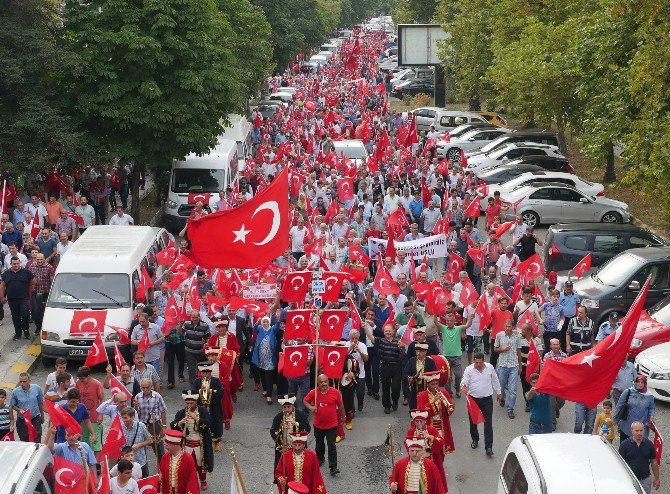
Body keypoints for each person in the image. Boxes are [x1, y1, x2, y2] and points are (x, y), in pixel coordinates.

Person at [170, 391, 214, 491]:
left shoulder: (202, 411)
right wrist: (180, 423)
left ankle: (203, 481)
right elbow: (173, 426)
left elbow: (209, 424)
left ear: (196, 402)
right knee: (188, 465)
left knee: (200, 464)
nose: (189, 405)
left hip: (200, 444)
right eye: (187, 403)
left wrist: (197, 419)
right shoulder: (181, 413)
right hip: (187, 444)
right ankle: (191, 482)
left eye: (191, 403)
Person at [303, 374, 344, 477]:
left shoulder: (335, 392)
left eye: (325, 381)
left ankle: (333, 467)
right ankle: (320, 459)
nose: (323, 383)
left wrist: (343, 416)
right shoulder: (314, 393)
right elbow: (305, 401)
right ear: (318, 383)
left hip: (332, 424)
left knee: (332, 445)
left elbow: (340, 405)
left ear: (328, 382)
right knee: (319, 444)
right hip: (318, 425)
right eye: (321, 382)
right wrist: (311, 408)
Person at [461, 352, 501, 456]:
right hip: (473, 400)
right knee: (473, 422)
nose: (478, 364)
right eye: (476, 362)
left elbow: (495, 380)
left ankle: (488, 447)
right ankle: (475, 439)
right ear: (474, 361)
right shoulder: (469, 369)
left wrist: (499, 392)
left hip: (487, 399)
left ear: (484, 361)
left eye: (480, 362)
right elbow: (465, 379)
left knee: (488, 423)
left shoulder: (490, 368)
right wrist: (464, 385)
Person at [363, 322, 402, 414]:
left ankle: (395, 401)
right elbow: (371, 337)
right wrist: (365, 328)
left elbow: (403, 353)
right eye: (386, 331)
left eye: (389, 331)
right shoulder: (380, 340)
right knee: (385, 388)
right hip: (385, 367)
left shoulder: (398, 342)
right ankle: (387, 406)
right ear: (384, 332)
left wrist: (402, 347)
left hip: (396, 367)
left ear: (393, 332)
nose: (388, 332)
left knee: (396, 387)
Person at [405, 409, 448, 489]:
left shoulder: (432, 430)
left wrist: (431, 438)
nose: (419, 423)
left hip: (430, 460)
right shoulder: (411, 431)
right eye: (416, 421)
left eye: (421, 421)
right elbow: (406, 443)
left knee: (431, 483)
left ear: (425, 421)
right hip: (417, 461)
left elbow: (441, 441)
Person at [416, 372, 455, 456]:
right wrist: (433, 401)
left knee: (441, 451)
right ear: (428, 384)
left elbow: (451, 407)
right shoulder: (421, 395)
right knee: (430, 453)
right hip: (428, 427)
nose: (435, 386)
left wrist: (445, 405)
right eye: (432, 384)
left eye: (437, 384)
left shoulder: (444, 393)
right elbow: (421, 412)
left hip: (442, 426)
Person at [270, 394, 311, 471]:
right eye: (284, 407)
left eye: (288, 407)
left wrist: (296, 424)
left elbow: (307, 429)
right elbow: (272, 431)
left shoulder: (300, 415)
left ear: (293, 406)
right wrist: (281, 429)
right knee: (283, 469)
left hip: (298, 447)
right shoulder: (278, 417)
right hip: (283, 448)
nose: (287, 409)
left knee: (299, 468)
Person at [618, 421, 661, 493]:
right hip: (629, 480)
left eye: (641, 430)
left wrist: (657, 478)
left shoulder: (649, 444)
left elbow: (653, 461)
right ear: (632, 431)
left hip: (645, 480)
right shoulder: (624, 445)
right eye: (637, 430)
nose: (639, 433)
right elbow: (619, 463)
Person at [0, 256, 35, 340]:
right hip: (12, 299)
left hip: (24, 298)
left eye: (17, 263)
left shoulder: (27, 272)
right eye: (14, 264)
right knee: (15, 316)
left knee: (25, 315)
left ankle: (26, 330)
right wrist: (1, 296)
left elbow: (33, 282)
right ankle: (18, 333)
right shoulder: (6, 273)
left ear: (20, 263)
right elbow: (2, 285)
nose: (16, 265)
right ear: (11, 264)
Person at [133, 378, 167, 463]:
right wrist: (136, 407)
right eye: (143, 387)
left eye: (147, 387)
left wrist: (164, 426)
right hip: (143, 425)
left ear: (151, 386)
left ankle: (163, 465)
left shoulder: (157, 396)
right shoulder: (137, 397)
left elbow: (163, 411)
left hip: (155, 425)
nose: (145, 390)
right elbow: (137, 415)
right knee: (141, 448)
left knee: (159, 449)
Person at [494, 319, 522, 419]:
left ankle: (510, 409)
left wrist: (520, 365)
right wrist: (502, 349)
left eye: (509, 327)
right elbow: (495, 349)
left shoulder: (517, 337)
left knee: (513, 389)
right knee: (501, 387)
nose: (507, 328)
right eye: (506, 326)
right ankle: (503, 398)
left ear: (513, 327)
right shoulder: (499, 335)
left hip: (514, 366)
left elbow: (519, 351)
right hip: (502, 365)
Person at [614, 375, 655, 442]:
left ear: (645, 384)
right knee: (625, 446)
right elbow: (619, 405)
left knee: (640, 447)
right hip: (627, 424)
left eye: (642, 382)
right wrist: (615, 419)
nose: (640, 384)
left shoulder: (649, 395)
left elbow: (651, 408)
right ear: (635, 382)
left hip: (642, 425)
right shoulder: (628, 392)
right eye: (638, 382)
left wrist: (651, 415)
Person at [193, 361, 224, 452]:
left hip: (214, 408)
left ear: (210, 372)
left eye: (207, 372)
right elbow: (193, 395)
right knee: (201, 424)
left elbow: (221, 394)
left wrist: (209, 391)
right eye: (203, 373)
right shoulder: (197, 382)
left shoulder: (216, 381)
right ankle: (202, 441)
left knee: (215, 425)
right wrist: (200, 391)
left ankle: (216, 442)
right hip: (201, 408)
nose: (205, 374)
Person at [159, 429, 200, 494]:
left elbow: (192, 480)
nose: (166, 448)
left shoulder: (188, 459)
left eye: (167, 445)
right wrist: (160, 476)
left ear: (175, 445)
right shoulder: (165, 457)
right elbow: (161, 472)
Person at [74, 366, 104, 457]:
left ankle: (96, 464)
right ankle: (86, 462)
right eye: (80, 379)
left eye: (83, 379)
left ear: (89, 376)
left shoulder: (97, 384)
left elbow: (102, 399)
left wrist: (101, 414)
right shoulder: (78, 383)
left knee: (96, 443)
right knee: (84, 442)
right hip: (82, 419)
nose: (81, 381)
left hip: (94, 418)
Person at [341, 329, 367, 430]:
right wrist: (350, 348)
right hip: (348, 376)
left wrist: (359, 351)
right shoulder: (346, 344)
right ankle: (352, 410)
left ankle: (360, 402)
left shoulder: (363, 345)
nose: (354, 340)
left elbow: (366, 359)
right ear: (349, 338)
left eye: (356, 338)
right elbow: (341, 358)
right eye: (352, 338)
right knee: (349, 395)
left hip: (359, 374)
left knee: (360, 393)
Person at [436, 312, 465, 398]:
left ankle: (457, 388)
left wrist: (471, 318)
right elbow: (436, 323)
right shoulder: (444, 328)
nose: (449, 322)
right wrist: (435, 314)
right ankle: (449, 392)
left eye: (450, 321)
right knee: (447, 376)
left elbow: (467, 325)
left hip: (457, 356)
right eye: (447, 320)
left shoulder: (458, 328)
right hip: (446, 357)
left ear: (454, 321)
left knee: (459, 375)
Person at [118, 406, 153, 478]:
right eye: (122, 418)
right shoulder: (120, 427)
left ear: (132, 417)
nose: (123, 420)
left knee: (143, 481)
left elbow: (150, 440)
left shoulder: (141, 426)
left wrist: (139, 445)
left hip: (140, 461)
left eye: (125, 418)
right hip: (126, 463)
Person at [10, 372, 44, 442]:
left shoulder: (37, 388)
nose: (22, 383)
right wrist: (19, 410)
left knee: (37, 439)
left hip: (35, 419)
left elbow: (40, 403)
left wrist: (42, 415)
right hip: (22, 421)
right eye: (20, 381)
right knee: (25, 441)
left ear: (29, 381)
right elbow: (12, 405)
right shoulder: (15, 392)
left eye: (24, 381)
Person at [542, 339, 567, 431]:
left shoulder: (564, 355)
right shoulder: (547, 356)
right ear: (550, 346)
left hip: (560, 383)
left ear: (560, 345)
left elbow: (566, 369)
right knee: (552, 403)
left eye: (557, 344)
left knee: (561, 402)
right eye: (554, 344)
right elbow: (545, 370)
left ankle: (555, 410)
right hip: (551, 383)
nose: (556, 346)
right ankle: (553, 422)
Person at [404, 342, 437, 410]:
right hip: (414, 389)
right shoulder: (411, 361)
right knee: (414, 407)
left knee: (426, 407)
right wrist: (409, 378)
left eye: (421, 351)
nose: (418, 353)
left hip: (426, 389)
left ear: (425, 352)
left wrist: (425, 377)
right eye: (417, 351)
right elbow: (405, 372)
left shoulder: (430, 362)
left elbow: (435, 374)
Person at [183, 310, 211, 386]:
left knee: (202, 368)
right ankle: (193, 385)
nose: (194, 319)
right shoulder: (186, 324)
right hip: (189, 351)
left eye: (196, 317)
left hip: (201, 351)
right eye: (193, 317)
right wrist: (179, 324)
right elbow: (180, 333)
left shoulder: (204, 325)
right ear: (190, 317)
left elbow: (208, 337)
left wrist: (206, 343)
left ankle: (202, 384)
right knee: (191, 369)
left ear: (199, 316)